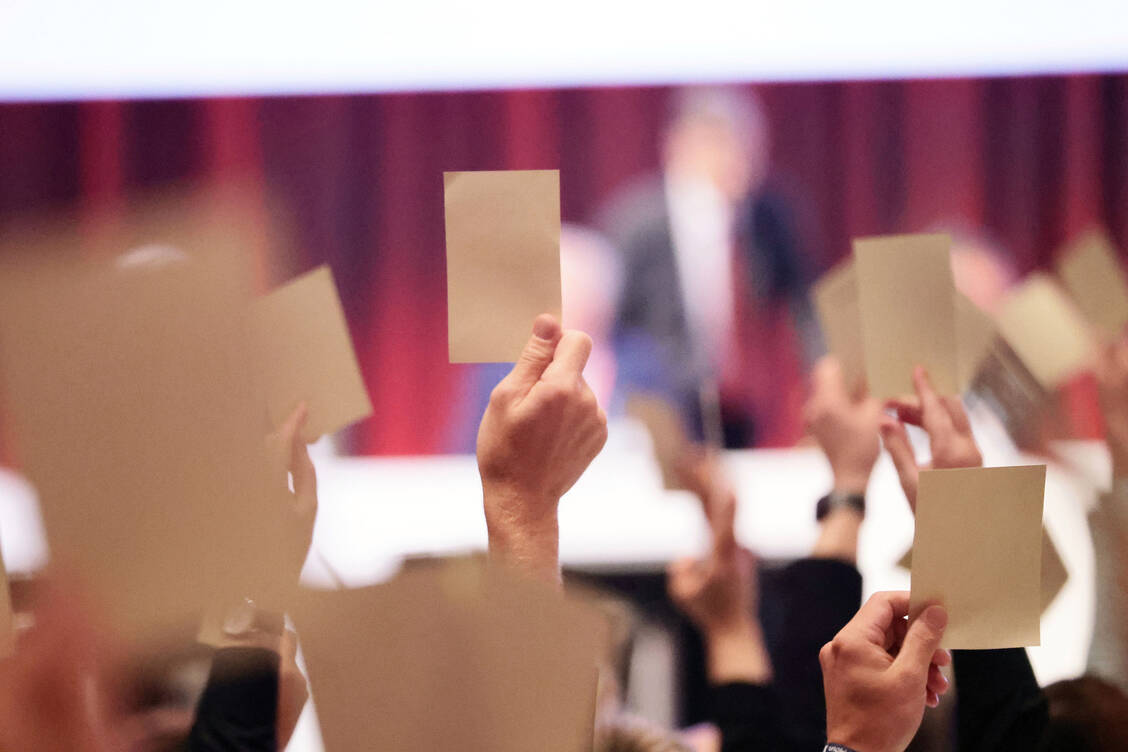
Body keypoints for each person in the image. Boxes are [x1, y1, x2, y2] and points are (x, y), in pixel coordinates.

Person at [601, 86, 818, 449]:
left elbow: (804, 310)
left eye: (745, 148)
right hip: (666, 411)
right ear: (680, 147)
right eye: (719, 146)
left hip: (752, 409)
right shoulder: (636, 224)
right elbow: (614, 327)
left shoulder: (770, 216)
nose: (734, 161)